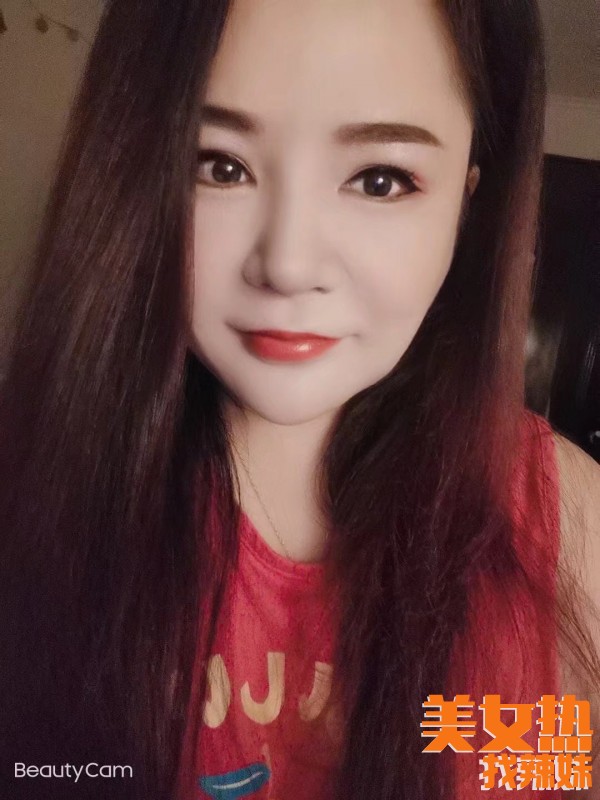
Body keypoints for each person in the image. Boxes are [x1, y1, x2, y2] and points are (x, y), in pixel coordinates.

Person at [0, 0, 598, 798]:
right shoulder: (25, 489)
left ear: (466, 204)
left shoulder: (569, 524)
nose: (287, 263)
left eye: (380, 180)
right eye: (219, 165)